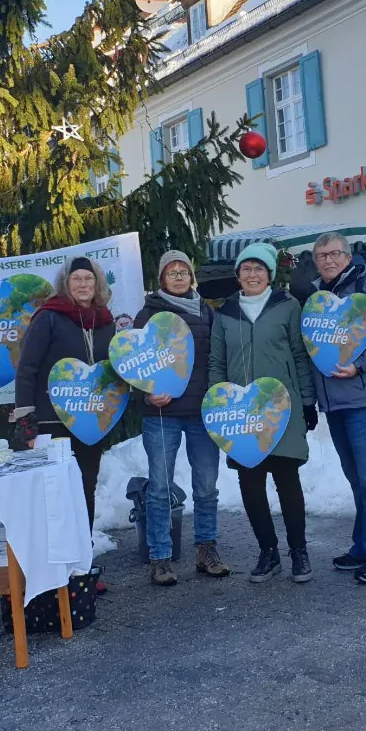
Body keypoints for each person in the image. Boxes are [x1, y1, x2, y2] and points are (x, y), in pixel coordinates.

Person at [297, 232, 366, 585]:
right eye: (320, 256)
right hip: (337, 402)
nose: (327, 260)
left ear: (347, 256)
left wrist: (360, 364)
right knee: (358, 479)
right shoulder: (319, 298)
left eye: (333, 254)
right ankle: (364, 546)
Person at [208, 242, 320, 583]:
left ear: (269, 273)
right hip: (241, 413)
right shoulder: (225, 313)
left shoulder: (288, 307)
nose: (252, 274)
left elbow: (301, 355)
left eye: (259, 268)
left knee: (287, 479)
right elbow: (216, 362)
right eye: (246, 268)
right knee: (251, 484)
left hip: (282, 409)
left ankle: (298, 551)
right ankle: (267, 551)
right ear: (238, 274)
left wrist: (307, 401)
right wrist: (217, 406)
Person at [135, 250, 228, 586]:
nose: (178, 277)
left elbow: (219, 357)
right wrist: (145, 392)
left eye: (183, 271)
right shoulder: (147, 314)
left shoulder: (207, 312)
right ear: (161, 278)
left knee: (206, 486)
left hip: (202, 412)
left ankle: (207, 549)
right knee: (159, 488)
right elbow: (132, 365)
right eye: (171, 272)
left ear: (192, 277)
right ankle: (160, 557)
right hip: (162, 414)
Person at [12, 256, 115, 546]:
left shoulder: (105, 321)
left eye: (88, 278)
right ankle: (55, 567)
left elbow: (110, 373)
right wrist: (26, 417)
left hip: (91, 421)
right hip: (51, 420)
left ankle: (82, 561)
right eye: (77, 279)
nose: (83, 284)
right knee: (55, 492)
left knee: (85, 487)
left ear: (97, 283)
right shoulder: (49, 317)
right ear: (66, 283)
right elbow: (27, 368)